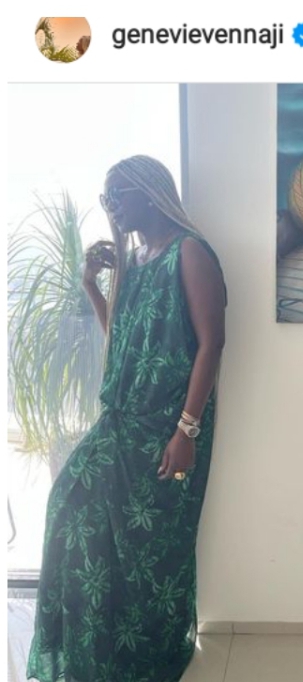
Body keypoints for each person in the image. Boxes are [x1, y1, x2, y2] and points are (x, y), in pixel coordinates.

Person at [27, 155, 227, 682]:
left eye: (119, 193)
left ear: (150, 191)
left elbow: (211, 344)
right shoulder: (135, 259)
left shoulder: (189, 252)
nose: (112, 204)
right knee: (70, 508)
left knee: (154, 548)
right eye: (106, 196)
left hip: (169, 425)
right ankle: (105, 647)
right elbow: (121, 337)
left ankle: (152, 652)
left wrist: (186, 431)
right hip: (121, 419)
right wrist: (92, 283)